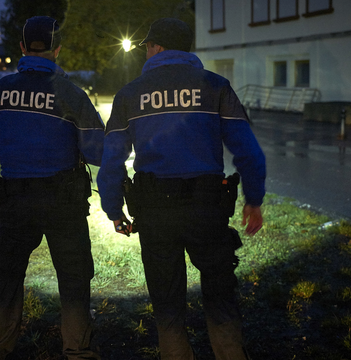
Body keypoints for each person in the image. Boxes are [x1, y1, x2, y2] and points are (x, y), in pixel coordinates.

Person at [97, 18, 266, 360]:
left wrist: (114, 210)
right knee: (219, 290)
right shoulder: (215, 86)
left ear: (157, 47)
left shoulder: (130, 93)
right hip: (208, 206)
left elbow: (112, 161)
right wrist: (254, 199)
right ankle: (230, 353)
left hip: (155, 210)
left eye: (148, 45)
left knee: (166, 295)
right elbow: (249, 151)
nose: (146, 50)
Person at [0, 16, 104, 360]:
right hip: (64, 202)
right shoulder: (72, 93)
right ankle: (77, 351)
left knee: (8, 279)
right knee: (74, 280)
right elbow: (98, 152)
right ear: (57, 50)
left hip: (14, 199)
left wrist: (12, 150)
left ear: (23, 48)